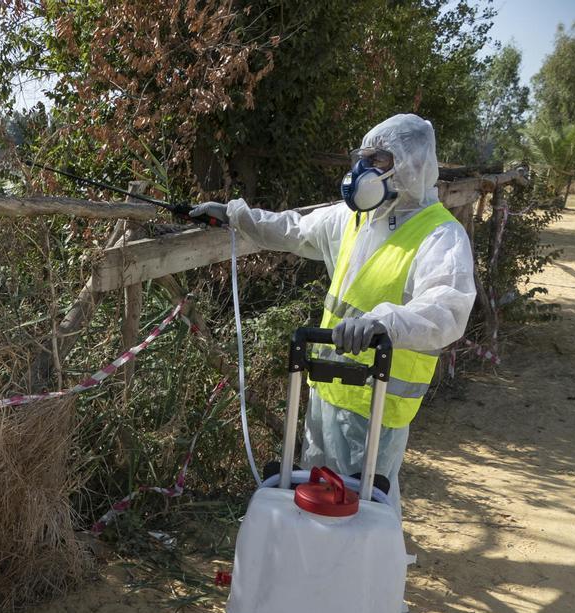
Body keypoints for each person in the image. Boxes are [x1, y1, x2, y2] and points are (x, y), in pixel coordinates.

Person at [190, 113, 476, 517]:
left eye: (378, 160)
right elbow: (293, 229)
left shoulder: (440, 235)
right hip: (326, 393)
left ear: (411, 164)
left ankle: (363, 579)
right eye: (364, 159)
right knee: (314, 501)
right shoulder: (355, 220)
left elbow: (448, 307)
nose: (363, 171)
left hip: (376, 405)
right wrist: (234, 215)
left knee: (362, 513)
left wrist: (383, 323)